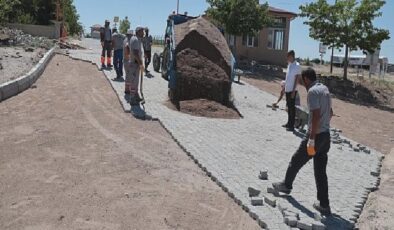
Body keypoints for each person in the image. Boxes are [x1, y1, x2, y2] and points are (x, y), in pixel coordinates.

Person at [273, 68, 334, 216]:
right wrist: (323, 128)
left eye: (301, 80)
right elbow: (330, 113)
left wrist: (312, 138)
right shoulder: (325, 89)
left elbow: (315, 115)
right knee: (320, 172)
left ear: (306, 79)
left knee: (296, 160)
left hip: (316, 137)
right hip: (326, 137)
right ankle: (324, 205)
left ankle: (286, 185)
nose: (301, 83)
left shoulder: (312, 92)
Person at [283, 50, 301, 132]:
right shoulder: (289, 65)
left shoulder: (297, 65)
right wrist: (284, 87)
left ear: (292, 56)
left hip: (292, 90)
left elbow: (297, 79)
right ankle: (288, 123)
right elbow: (287, 77)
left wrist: (294, 91)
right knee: (288, 107)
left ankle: (292, 126)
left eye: (288, 57)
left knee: (292, 108)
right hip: (287, 89)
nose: (287, 58)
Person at [128, 26, 144, 104]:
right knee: (134, 82)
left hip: (135, 64)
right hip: (134, 64)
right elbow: (135, 53)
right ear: (138, 32)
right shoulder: (135, 40)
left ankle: (136, 96)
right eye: (142, 31)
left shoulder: (137, 39)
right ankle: (132, 99)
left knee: (136, 82)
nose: (143, 33)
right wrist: (140, 63)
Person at [123, 29, 133, 94]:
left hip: (125, 60)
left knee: (127, 75)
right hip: (127, 60)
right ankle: (127, 90)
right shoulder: (128, 40)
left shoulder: (125, 39)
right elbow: (127, 47)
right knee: (129, 76)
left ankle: (127, 89)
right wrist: (129, 56)